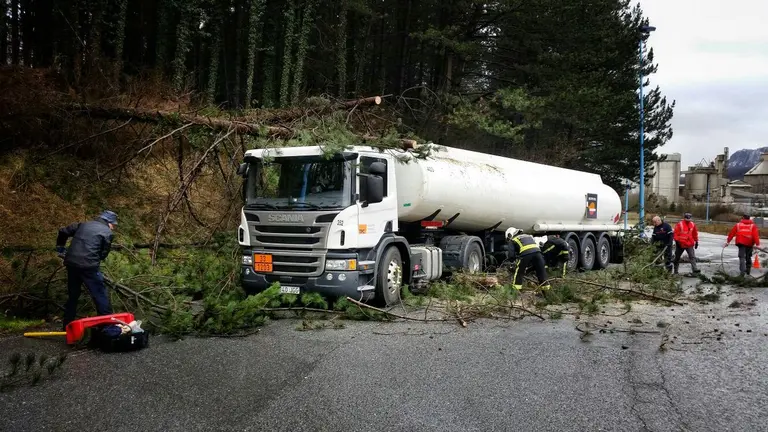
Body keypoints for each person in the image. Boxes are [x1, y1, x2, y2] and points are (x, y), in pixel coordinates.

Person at [56, 210, 118, 330]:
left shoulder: (82, 225)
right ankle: (107, 327)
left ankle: (67, 326)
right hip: (89, 267)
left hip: (71, 264)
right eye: (114, 225)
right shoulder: (107, 233)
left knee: (73, 295)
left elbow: (63, 231)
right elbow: (103, 254)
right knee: (100, 295)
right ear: (109, 222)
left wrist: (60, 247)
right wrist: (93, 262)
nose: (113, 228)